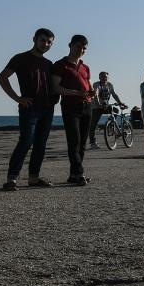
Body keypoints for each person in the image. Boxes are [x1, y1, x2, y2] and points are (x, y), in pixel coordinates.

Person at [0, 28, 59, 191]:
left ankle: (34, 178)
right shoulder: (20, 58)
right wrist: (18, 98)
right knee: (25, 141)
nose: (46, 44)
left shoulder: (48, 63)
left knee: (40, 144)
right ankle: (12, 179)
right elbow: (2, 78)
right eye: (43, 40)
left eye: (49, 42)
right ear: (34, 39)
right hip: (29, 108)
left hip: (47, 109)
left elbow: (53, 85)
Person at [52, 34, 96, 186]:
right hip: (70, 106)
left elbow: (88, 84)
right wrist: (76, 93)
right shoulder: (60, 64)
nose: (81, 50)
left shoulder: (85, 67)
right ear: (70, 45)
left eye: (84, 48)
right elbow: (55, 87)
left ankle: (74, 175)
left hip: (87, 106)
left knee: (82, 143)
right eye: (78, 46)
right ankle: (79, 173)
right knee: (74, 141)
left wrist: (92, 92)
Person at [88, 71, 125, 148]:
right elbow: (96, 94)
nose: (104, 78)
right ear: (99, 78)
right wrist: (99, 104)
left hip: (106, 105)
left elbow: (114, 94)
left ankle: (111, 126)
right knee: (93, 124)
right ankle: (92, 143)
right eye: (102, 77)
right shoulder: (97, 84)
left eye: (105, 77)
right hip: (96, 107)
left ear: (108, 77)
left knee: (116, 110)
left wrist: (120, 102)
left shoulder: (110, 85)